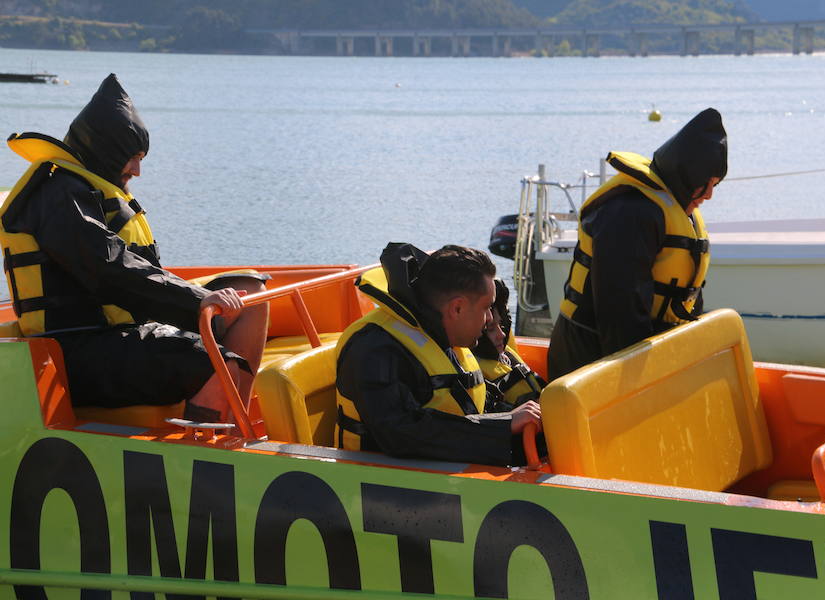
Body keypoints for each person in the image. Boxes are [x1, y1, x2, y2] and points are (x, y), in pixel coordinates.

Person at [0, 73, 268, 422]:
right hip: (76, 351)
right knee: (217, 364)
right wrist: (196, 300)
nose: (138, 171)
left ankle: (233, 416)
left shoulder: (87, 187)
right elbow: (108, 269)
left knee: (250, 295)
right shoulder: (58, 195)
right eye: (132, 157)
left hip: (120, 333)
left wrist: (196, 299)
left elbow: (135, 275)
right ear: (104, 150)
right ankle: (212, 452)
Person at [547, 107, 728, 380]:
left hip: (644, 352)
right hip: (592, 356)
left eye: (716, 185)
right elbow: (619, 310)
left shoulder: (677, 207)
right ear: (687, 174)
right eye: (707, 184)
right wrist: (639, 378)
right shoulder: (630, 213)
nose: (710, 195)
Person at [334, 242, 542, 466]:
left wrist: (524, 414)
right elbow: (401, 434)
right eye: (486, 308)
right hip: (382, 486)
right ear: (457, 308)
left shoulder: (439, 335)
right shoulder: (375, 350)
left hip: (445, 471)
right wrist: (504, 424)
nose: (490, 319)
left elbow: (470, 408)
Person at [471, 279, 545, 413]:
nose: (502, 335)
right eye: (491, 329)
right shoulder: (472, 370)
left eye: (501, 325)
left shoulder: (505, 354)